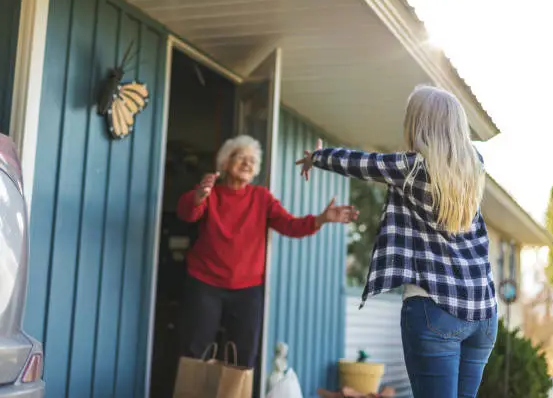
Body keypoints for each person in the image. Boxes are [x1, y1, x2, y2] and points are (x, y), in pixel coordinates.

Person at [297, 85, 497, 398]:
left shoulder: (412, 167)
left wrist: (318, 157)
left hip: (436, 307)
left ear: (418, 124)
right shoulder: (476, 166)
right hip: (483, 312)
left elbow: (361, 163)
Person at [177, 134, 358, 368]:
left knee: (243, 356)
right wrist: (198, 196)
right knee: (196, 350)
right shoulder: (210, 193)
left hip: (247, 288)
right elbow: (186, 213)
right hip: (205, 283)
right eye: (240, 157)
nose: (247, 163)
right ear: (224, 163)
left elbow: (290, 225)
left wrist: (322, 219)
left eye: (252, 160)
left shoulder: (261, 198)